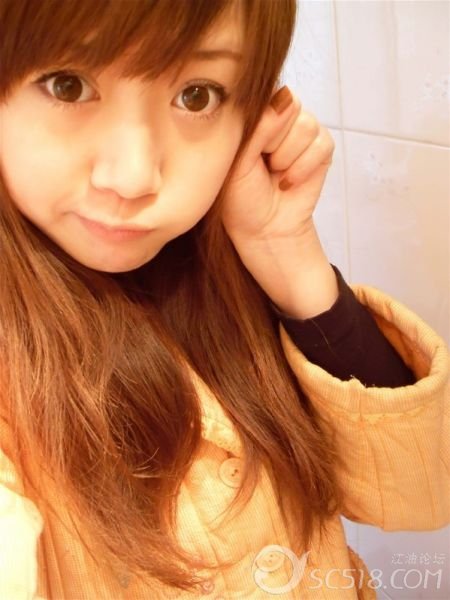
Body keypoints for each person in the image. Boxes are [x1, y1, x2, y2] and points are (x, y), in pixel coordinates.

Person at [0, 1, 448, 598]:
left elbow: (422, 492)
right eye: (68, 85)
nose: (132, 177)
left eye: (197, 96)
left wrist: (286, 251)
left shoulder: (225, 267)